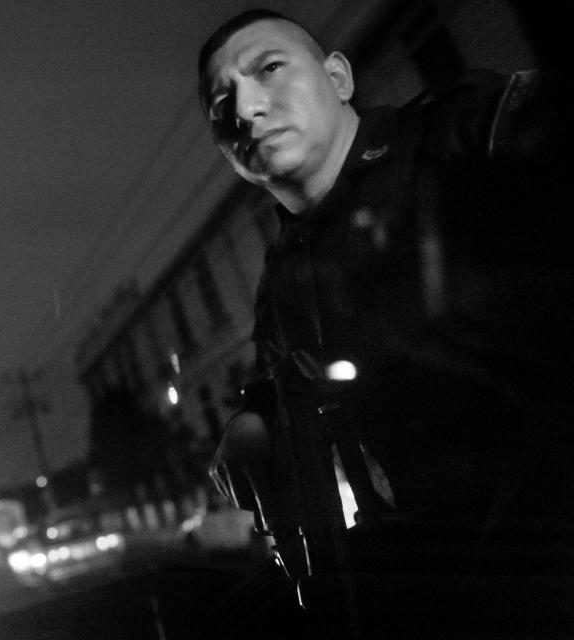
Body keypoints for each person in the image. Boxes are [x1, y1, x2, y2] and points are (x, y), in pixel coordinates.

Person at [200, 8, 573, 639]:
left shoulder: (460, 129)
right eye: (221, 103)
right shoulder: (283, 276)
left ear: (339, 77)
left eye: (268, 68)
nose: (247, 108)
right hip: (444, 568)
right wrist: (249, 422)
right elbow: (274, 380)